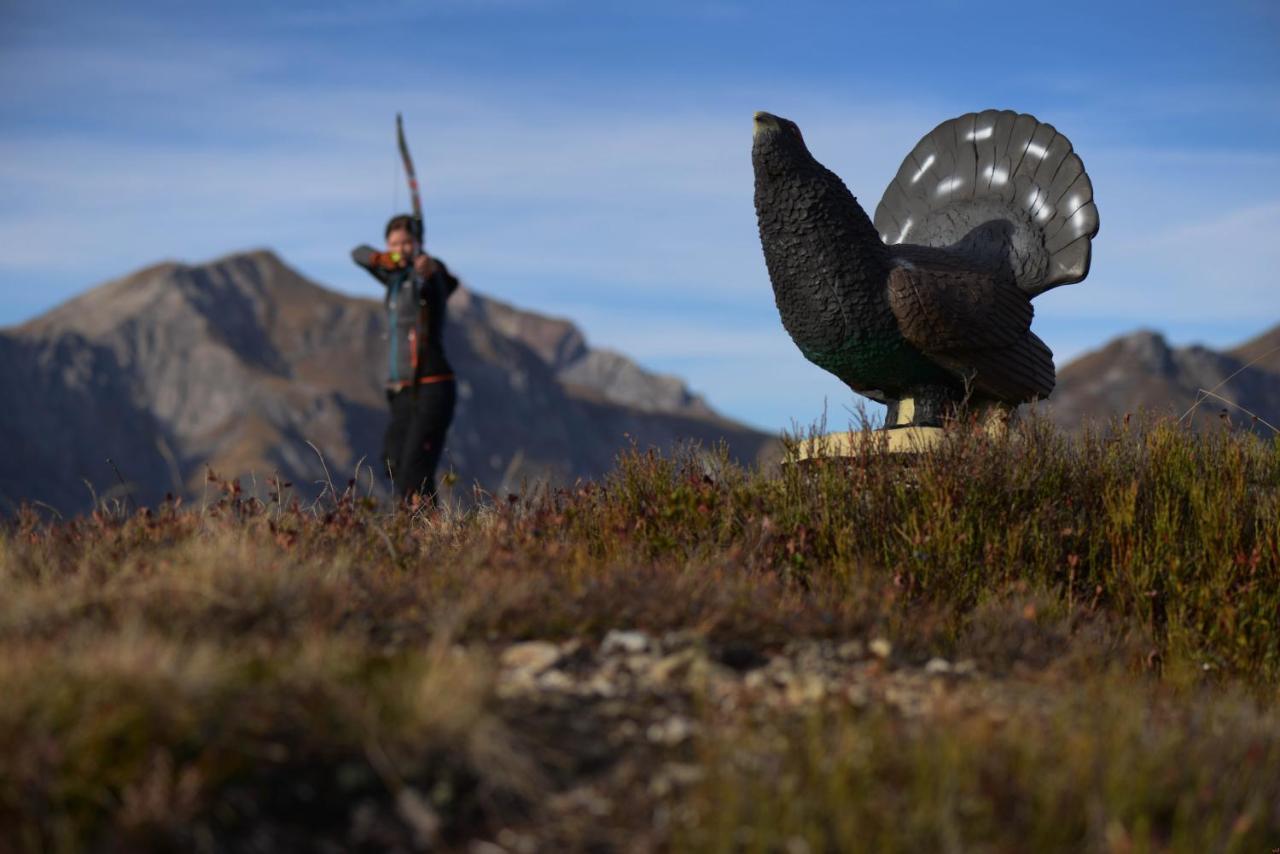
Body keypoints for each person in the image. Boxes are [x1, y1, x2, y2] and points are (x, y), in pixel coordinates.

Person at [351, 214, 459, 505]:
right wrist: (384, 259)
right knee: (393, 461)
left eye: (407, 242)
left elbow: (443, 279)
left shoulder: (431, 277)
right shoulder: (394, 278)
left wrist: (428, 267)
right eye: (394, 243)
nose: (401, 248)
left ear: (418, 244)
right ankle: (426, 530)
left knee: (415, 470)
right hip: (401, 388)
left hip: (432, 386)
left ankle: (423, 534)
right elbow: (358, 254)